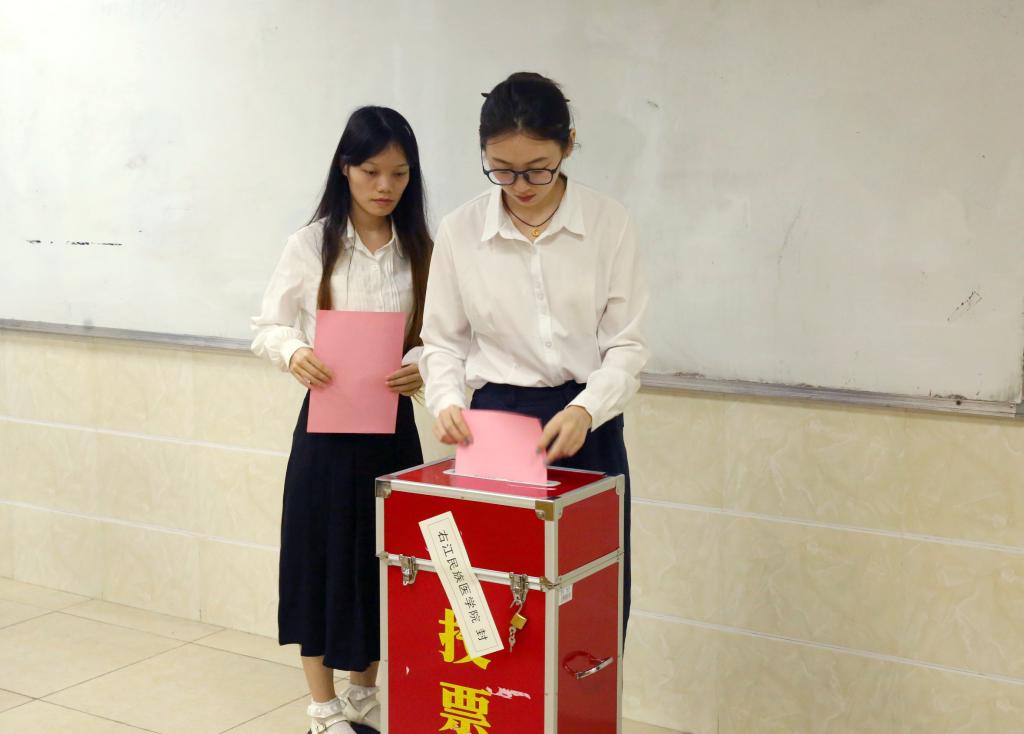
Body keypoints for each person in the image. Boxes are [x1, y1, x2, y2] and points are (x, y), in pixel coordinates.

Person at [420, 72, 649, 635]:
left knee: (590, 596)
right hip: (497, 422)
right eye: (501, 169)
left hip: (586, 421)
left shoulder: (608, 223)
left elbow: (626, 344)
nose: (520, 185)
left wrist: (587, 409)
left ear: (568, 144)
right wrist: (445, 400)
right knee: (495, 593)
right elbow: (442, 340)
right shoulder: (460, 230)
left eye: (538, 168)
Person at [251, 106, 431, 734]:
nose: (386, 187)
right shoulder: (310, 245)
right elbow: (268, 325)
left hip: (393, 428)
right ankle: (322, 706)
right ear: (345, 168)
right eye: (372, 172)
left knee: (383, 559)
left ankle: (363, 694)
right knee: (320, 558)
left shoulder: (422, 250)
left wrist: (423, 364)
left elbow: (445, 336)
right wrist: (293, 352)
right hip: (326, 429)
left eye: (400, 174)